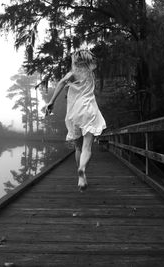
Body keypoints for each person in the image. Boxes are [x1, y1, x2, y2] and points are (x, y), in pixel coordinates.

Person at [45, 49, 106, 191]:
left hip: (75, 113)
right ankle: (83, 168)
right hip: (89, 110)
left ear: (75, 61)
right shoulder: (91, 73)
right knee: (87, 147)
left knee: (78, 147)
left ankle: (80, 177)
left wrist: (51, 102)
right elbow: (93, 63)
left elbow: (61, 82)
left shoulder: (72, 74)